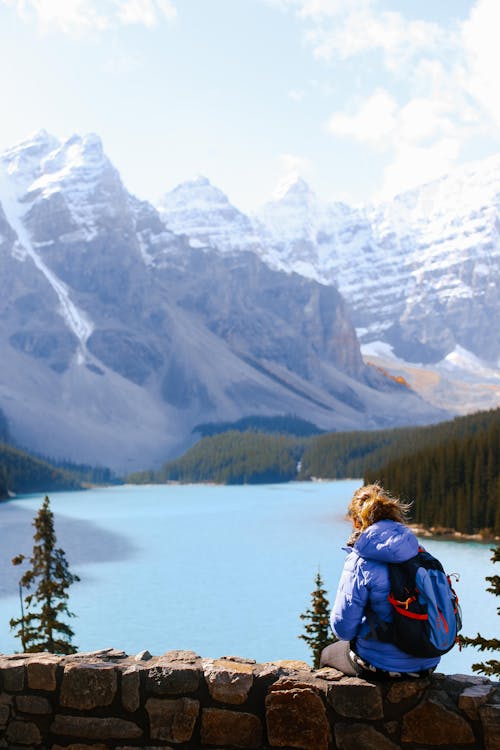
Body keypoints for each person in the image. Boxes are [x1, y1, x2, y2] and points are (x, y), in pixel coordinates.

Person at [320, 483, 440, 679]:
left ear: (357, 522)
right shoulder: (418, 551)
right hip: (428, 660)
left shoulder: (360, 560)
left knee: (327, 655)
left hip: (382, 664)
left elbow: (343, 629)